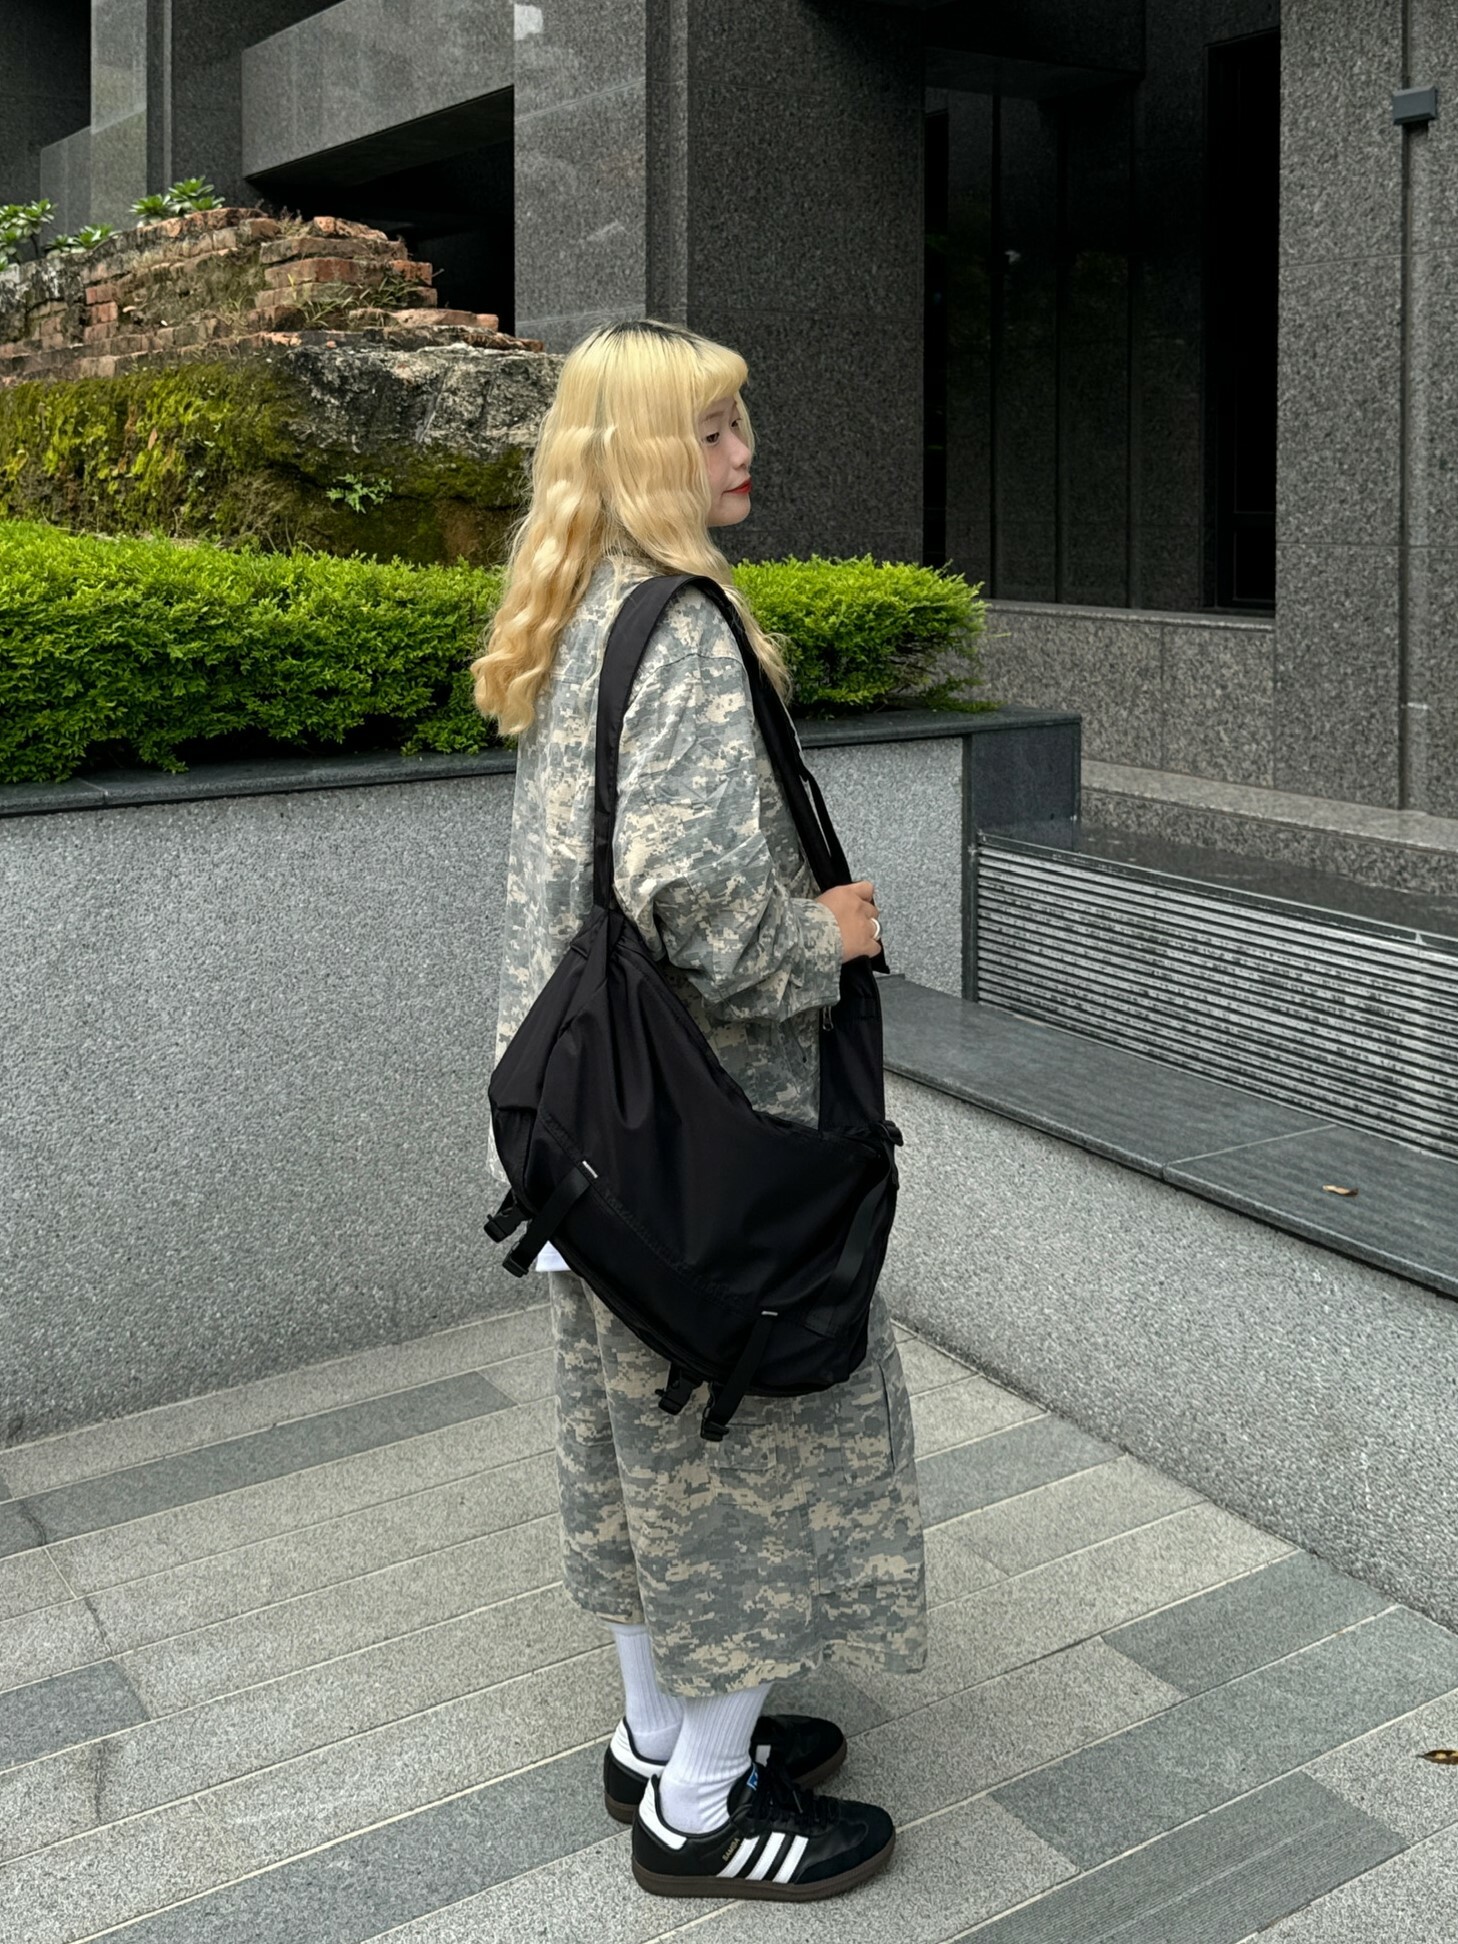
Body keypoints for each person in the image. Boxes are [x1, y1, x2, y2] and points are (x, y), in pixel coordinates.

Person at [473, 318, 926, 1902]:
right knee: (747, 1439)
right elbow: (703, 913)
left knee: (635, 1432)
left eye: (741, 421)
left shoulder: (585, 608)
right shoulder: (682, 630)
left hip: (593, 1125)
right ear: (646, 454)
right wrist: (831, 936)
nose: (746, 452)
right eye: (716, 429)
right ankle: (703, 1809)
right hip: (707, 1137)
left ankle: (656, 1732)